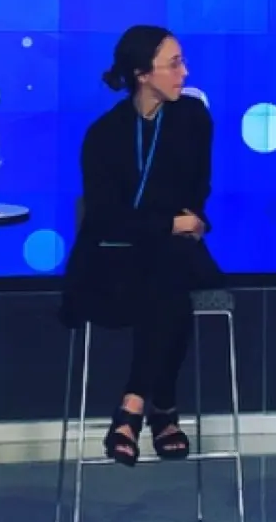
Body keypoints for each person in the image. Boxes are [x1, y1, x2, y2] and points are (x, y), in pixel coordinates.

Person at [60, 25, 226, 467]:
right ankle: (164, 408)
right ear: (141, 74)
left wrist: (182, 224)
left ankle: (131, 407)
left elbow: (198, 191)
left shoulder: (193, 118)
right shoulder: (105, 134)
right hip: (112, 258)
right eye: (174, 65)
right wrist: (167, 223)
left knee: (167, 268)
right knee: (166, 279)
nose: (184, 73)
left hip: (173, 252)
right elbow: (104, 217)